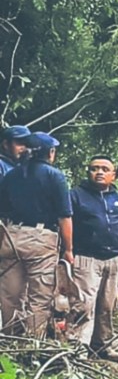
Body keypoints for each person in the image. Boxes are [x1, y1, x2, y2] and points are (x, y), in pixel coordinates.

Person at [69, 155, 118, 357]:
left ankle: (102, 344)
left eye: (104, 169)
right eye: (94, 168)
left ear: (114, 175)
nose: (99, 172)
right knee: (84, 304)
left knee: (107, 305)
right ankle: (77, 347)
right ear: (88, 172)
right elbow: (65, 226)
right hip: (85, 258)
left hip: (113, 259)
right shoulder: (76, 196)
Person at [0, 132, 73, 337]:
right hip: (41, 239)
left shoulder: (11, 175)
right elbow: (64, 216)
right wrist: (68, 249)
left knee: (9, 294)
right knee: (39, 296)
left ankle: (9, 339)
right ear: (50, 152)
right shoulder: (54, 176)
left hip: (11, 236)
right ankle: (32, 342)